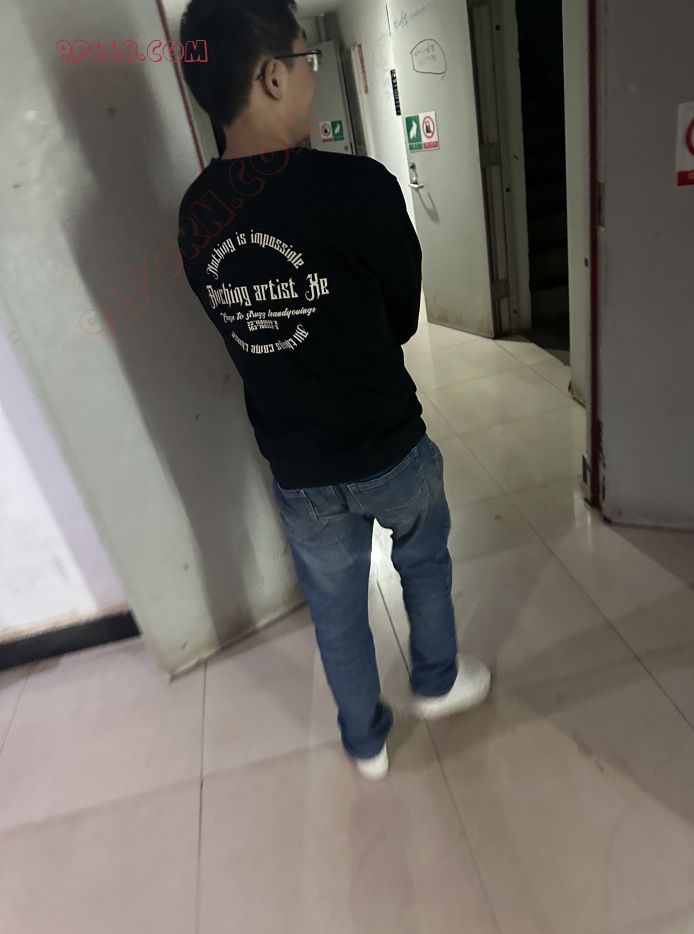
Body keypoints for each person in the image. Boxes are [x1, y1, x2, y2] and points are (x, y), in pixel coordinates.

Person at [177, 0, 491, 780]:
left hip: (298, 466)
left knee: (336, 606)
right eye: (304, 58)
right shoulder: (360, 188)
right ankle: (437, 681)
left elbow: (235, 330)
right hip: (389, 445)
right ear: (271, 77)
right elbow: (402, 317)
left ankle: (365, 740)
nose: (310, 76)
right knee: (423, 562)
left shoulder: (198, 214)